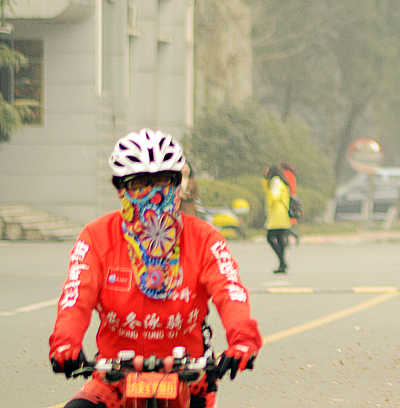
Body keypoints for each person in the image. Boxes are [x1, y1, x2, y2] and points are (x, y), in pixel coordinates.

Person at [48, 128, 261, 408]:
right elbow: (76, 297)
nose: (154, 195)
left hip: (189, 378)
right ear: (121, 188)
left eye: (162, 182)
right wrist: (66, 343)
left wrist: (242, 341)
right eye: (139, 184)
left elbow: (230, 292)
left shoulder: (205, 238)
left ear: (177, 185)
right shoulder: (96, 236)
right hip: (114, 380)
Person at [262, 165, 293, 274]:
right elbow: (266, 189)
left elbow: (274, 196)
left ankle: (282, 262)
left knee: (270, 237)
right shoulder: (278, 182)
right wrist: (265, 180)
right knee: (280, 240)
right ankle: (282, 264)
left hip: (277, 215)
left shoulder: (276, 182)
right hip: (282, 215)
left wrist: (270, 189)